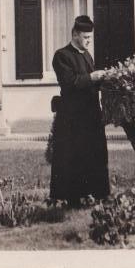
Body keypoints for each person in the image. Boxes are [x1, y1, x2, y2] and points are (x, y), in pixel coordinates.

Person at [48, 14, 110, 206]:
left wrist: (105, 80)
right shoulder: (62, 56)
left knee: (95, 154)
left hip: (91, 115)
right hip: (72, 117)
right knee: (73, 157)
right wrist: (92, 77)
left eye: (90, 37)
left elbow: (91, 84)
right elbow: (69, 83)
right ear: (75, 34)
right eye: (85, 37)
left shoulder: (87, 55)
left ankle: (96, 195)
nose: (89, 41)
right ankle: (71, 199)